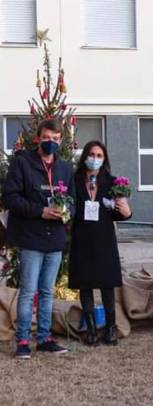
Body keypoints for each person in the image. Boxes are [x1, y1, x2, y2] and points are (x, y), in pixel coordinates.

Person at [2, 119, 75, 359]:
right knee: (28, 290)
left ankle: (44, 338)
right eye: (47, 137)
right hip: (31, 237)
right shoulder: (23, 163)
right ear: (38, 138)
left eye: (55, 139)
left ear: (61, 141)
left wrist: (66, 212)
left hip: (54, 238)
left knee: (46, 291)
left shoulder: (64, 168)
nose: (51, 142)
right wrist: (39, 211)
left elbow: (73, 200)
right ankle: (23, 340)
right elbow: (10, 197)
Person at [68, 141, 132, 346]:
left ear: (104, 159)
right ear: (85, 156)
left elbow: (122, 214)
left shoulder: (112, 182)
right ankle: (92, 330)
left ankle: (111, 328)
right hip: (81, 238)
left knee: (106, 284)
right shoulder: (74, 180)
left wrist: (126, 211)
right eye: (91, 154)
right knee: (85, 285)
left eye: (99, 155)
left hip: (104, 238)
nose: (94, 159)